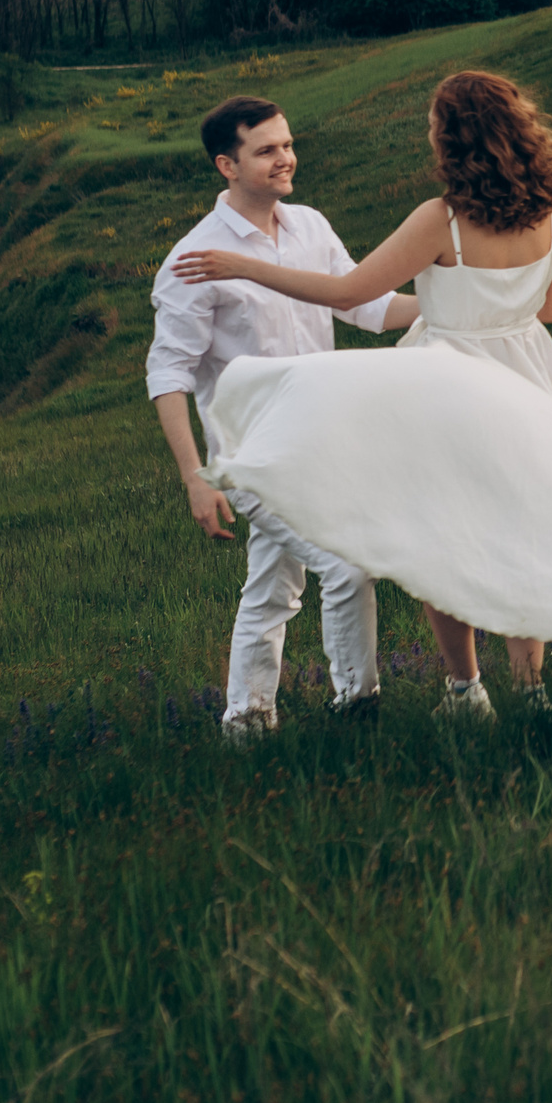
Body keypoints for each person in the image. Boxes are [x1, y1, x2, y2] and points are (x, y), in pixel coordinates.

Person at [174, 70, 552, 719]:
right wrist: (490, 310)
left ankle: (466, 691)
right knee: (525, 533)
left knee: (445, 536)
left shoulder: (443, 220)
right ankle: (531, 685)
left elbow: (348, 293)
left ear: (453, 139)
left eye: (434, 125)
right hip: (528, 381)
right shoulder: (548, 216)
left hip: (450, 385)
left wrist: (245, 266)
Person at [145, 95, 416, 738]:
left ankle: (246, 721)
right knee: (347, 564)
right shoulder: (196, 258)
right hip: (251, 455)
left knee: (270, 589)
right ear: (226, 165)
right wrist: (195, 476)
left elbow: (367, 308)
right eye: (266, 150)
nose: (285, 158)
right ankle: (358, 707)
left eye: (287, 144)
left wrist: (460, 305)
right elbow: (168, 374)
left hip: (323, 444)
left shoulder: (310, 227)